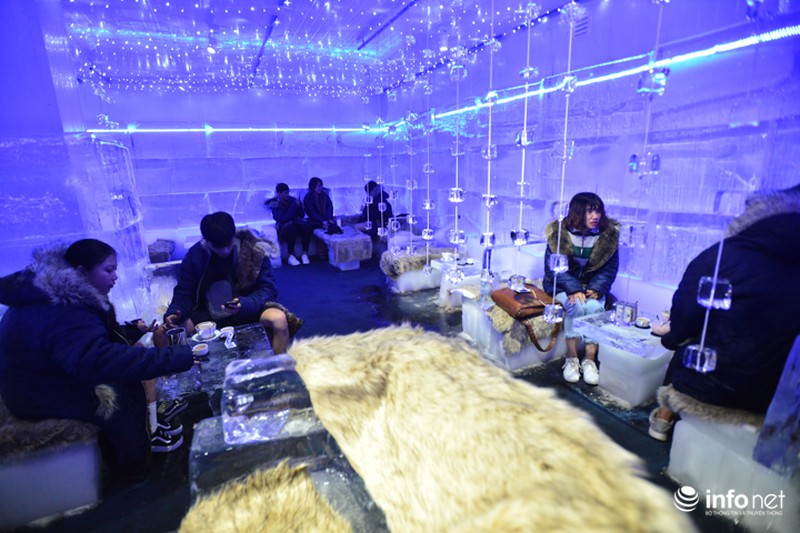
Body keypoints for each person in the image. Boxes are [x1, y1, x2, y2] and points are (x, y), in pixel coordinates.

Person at [0, 239, 195, 479]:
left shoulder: (60, 294)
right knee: (121, 391)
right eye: (109, 270)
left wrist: (132, 331)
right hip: (35, 393)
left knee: (130, 366)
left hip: (43, 376)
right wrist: (176, 356)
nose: (115, 277)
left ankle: (150, 427)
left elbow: (84, 341)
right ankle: (134, 467)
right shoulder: (63, 308)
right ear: (82, 271)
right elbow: (97, 360)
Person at [648, 185, 800, 441]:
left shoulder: (722, 256)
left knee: (687, 344)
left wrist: (670, 339)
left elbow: (685, 318)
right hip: (777, 402)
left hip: (710, 387)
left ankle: (664, 417)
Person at [164, 211, 302, 354]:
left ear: (233, 235)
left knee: (279, 320)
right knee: (169, 332)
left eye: (228, 244)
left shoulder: (254, 250)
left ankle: (281, 365)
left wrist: (244, 304)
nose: (224, 251)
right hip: (207, 313)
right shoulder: (195, 256)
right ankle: (181, 367)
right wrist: (174, 312)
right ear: (206, 241)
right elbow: (184, 292)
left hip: (248, 308)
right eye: (218, 247)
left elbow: (268, 289)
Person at [543, 192, 620, 385]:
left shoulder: (608, 236)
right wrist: (573, 288)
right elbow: (553, 269)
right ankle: (571, 357)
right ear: (577, 212)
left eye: (598, 211)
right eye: (589, 212)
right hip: (562, 284)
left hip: (591, 287)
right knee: (575, 306)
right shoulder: (558, 234)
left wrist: (597, 288)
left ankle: (589, 360)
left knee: (595, 308)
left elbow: (609, 270)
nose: (596, 216)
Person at [266, 183, 313, 266]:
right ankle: (291, 255)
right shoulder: (275, 204)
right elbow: (283, 218)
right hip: (283, 226)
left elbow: (301, 215)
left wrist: (299, 206)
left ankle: (305, 253)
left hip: (296, 222)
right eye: (285, 193)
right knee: (291, 229)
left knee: (306, 227)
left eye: (288, 192)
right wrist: (294, 206)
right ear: (279, 193)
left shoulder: (292, 200)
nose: (287, 195)